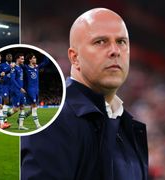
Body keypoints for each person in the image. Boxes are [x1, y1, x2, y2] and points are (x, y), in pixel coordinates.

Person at [21, 8, 148, 180]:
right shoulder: (53, 118)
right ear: (74, 58)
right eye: (100, 41)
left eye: (121, 42)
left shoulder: (128, 126)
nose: (115, 51)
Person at [22, 53, 49, 129]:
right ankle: (38, 125)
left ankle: (21, 118)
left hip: (36, 89)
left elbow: (46, 62)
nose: (35, 59)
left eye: (35, 58)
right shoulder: (26, 67)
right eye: (34, 58)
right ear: (30, 59)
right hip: (30, 90)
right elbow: (19, 64)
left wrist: (45, 54)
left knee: (33, 108)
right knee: (34, 106)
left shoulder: (37, 67)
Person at [7, 53, 28, 130]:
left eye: (23, 58)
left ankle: (21, 126)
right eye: (22, 59)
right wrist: (19, 88)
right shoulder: (14, 67)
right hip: (16, 90)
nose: (23, 60)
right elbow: (12, 79)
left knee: (22, 107)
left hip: (20, 90)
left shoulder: (21, 68)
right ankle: (1, 119)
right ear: (17, 59)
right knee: (15, 109)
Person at [0, 53, 13, 125]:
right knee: (6, 100)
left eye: (10, 56)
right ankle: (3, 119)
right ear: (6, 58)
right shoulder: (2, 65)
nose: (10, 57)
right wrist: (0, 78)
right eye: (8, 56)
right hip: (4, 85)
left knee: (7, 102)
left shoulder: (14, 65)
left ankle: (2, 118)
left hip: (11, 86)